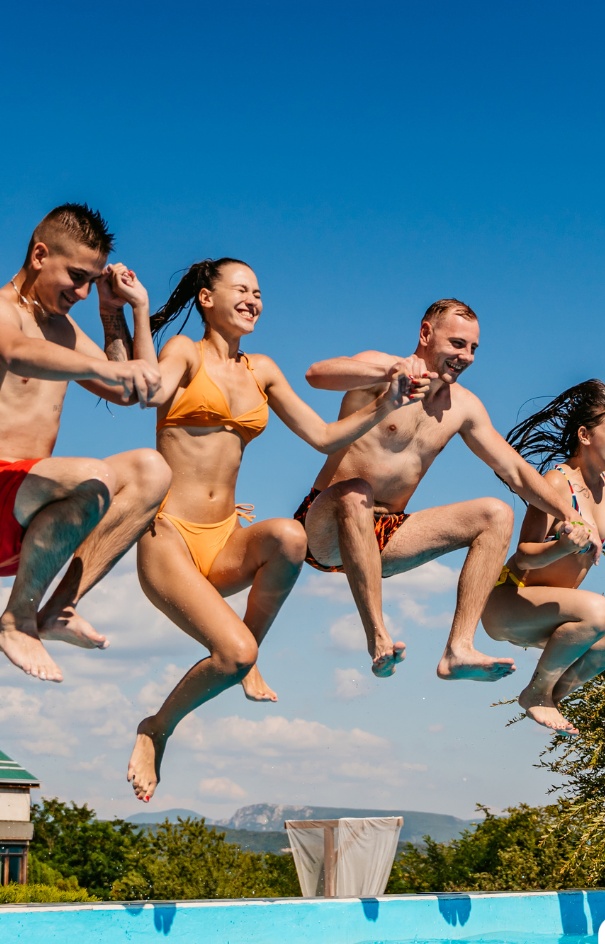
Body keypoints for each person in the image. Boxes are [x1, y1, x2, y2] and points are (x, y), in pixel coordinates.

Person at [126, 258, 426, 802]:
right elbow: (150, 390)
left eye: (259, 292)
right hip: (167, 534)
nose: (253, 299)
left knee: (291, 536)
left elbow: (321, 435)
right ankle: (157, 727)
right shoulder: (182, 353)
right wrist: (141, 309)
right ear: (205, 297)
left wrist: (387, 402)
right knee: (233, 654)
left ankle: (248, 653)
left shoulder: (260, 369)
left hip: (222, 537)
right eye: (241, 289)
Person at [0, 203, 171, 683]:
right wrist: (103, 366)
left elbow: (137, 391)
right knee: (94, 476)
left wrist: (125, 310)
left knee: (152, 469)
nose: (81, 291)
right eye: (76, 276)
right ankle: (15, 622)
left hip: (26, 525)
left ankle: (57, 609)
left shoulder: (62, 329)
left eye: (91, 280)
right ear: (40, 255)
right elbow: (18, 354)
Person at [297, 299, 598, 681]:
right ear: (426, 334)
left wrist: (572, 515)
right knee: (356, 491)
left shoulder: (464, 407)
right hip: (325, 527)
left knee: (496, 513)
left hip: (385, 537)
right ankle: (378, 637)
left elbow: (516, 471)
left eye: (473, 348)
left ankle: (459, 649)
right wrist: (388, 370)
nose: (466, 356)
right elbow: (316, 374)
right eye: (457, 344)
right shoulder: (382, 370)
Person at [480, 380, 605, 733]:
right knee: (599, 610)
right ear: (585, 435)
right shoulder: (558, 482)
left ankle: (549, 695)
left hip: (552, 616)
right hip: (509, 601)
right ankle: (538, 693)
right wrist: (562, 547)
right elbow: (525, 555)